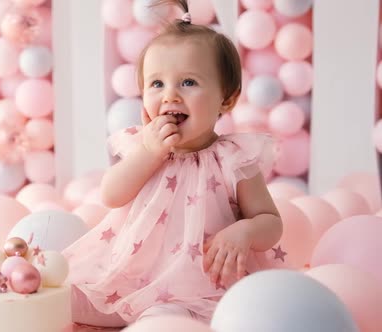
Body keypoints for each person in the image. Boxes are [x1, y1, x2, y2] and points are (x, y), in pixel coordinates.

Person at [63, 0, 283, 328]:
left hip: (193, 288)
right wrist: (149, 153)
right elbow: (111, 195)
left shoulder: (233, 159)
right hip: (126, 277)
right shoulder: (143, 146)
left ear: (227, 99)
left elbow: (271, 223)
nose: (170, 96)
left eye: (188, 82)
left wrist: (245, 231)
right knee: (59, 298)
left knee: (166, 320)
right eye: (156, 84)